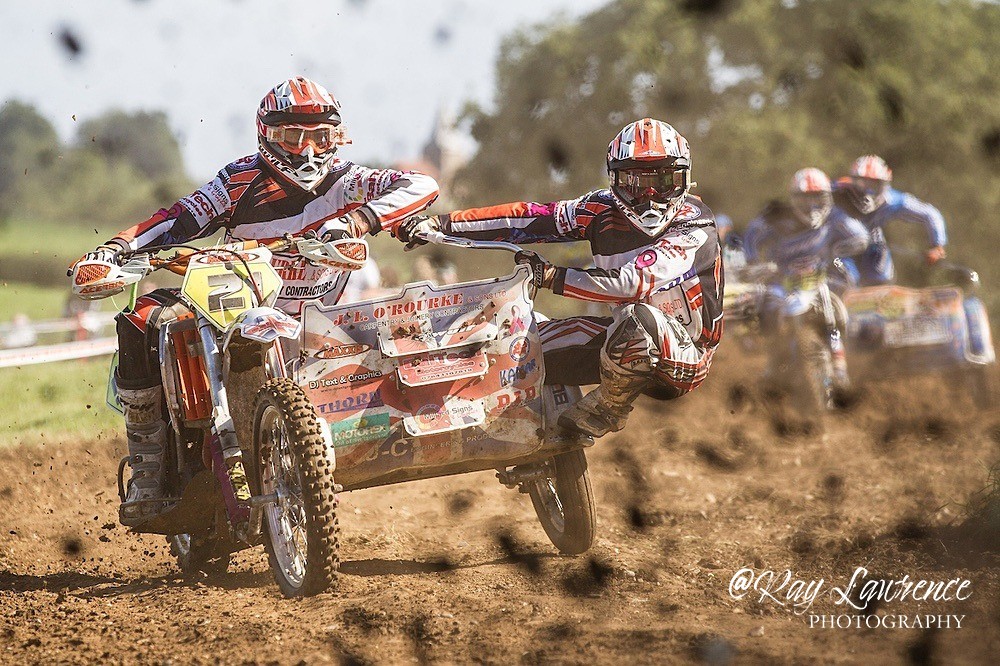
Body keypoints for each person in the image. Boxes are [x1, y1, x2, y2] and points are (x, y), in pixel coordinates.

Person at [71, 76, 439, 524]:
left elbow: (420, 185)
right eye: (293, 137)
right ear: (268, 134)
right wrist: (115, 250)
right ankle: (148, 460)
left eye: (321, 137)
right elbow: (179, 219)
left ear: (337, 137)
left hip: (319, 325)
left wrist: (360, 221)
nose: (306, 150)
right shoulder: (238, 180)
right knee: (139, 318)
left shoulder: (349, 181)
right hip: (236, 310)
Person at [397, 118, 724, 438]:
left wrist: (552, 275)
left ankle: (607, 409)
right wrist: (439, 225)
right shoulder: (599, 209)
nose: (650, 197)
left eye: (663, 182)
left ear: (685, 180)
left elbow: (633, 283)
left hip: (686, 356)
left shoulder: (695, 224)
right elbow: (531, 217)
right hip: (617, 340)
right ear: (615, 180)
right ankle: (488, 426)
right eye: (635, 183)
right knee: (515, 345)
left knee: (641, 321)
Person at [744, 168, 869, 388]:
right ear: (794, 199)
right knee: (764, 308)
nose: (812, 206)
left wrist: (840, 249)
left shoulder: (835, 217)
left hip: (821, 277)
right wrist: (754, 263)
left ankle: (841, 368)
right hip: (782, 280)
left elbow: (859, 235)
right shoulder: (777, 217)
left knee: (845, 306)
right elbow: (752, 236)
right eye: (805, 199)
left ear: (827, 198)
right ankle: (773, 364)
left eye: (818, 198)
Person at [832, 154, 947, 286]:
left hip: (872, 244)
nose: (867, 191)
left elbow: (931, 214)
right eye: (862, 183)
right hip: (837, 246)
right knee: (845, 279)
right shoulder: (836, 190)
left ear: (885, 185)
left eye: (874, 185)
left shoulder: (893, 200)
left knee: (882, 276)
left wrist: (937, 245)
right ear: (852, 180)